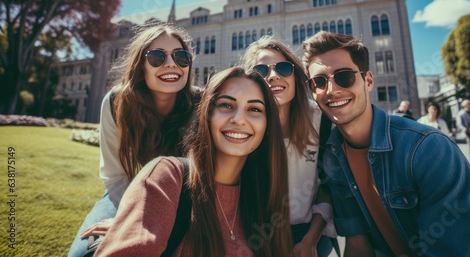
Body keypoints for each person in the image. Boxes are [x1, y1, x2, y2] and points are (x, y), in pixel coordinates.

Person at [302, 31, 470, 256]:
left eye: (344, 76)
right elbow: (358, 246)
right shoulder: (333, 155)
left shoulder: (427, 149)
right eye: (318, 81)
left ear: (368, 81)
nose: (331, 90)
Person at [94, 67, 293, 256]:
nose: (239, 119)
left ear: (267, 126)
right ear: (206, 114)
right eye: (226, 105)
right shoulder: (165, 177)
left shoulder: (266, 199)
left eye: (254, 109)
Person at [68, 24, 200, 256]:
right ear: (141, 65)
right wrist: (129, 217)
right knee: (86, 253)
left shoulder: (202, 105)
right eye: (157, 56)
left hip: (187, 202)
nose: (171, 63)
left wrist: (149, 219)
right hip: (126, 193)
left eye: (181, 56)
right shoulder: (116, 103)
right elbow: (114, 175)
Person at [240, 36, 336, 257]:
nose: (273, 76)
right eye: (261, 70)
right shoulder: (242, 124)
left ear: (295, 76)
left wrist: (310, 241)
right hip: (257, 236)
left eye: (283, 68)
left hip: (310, 234)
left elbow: (329, 186)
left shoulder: (321, 120)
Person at [458, 99, 470, 171]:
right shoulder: (461, 113)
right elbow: (460, 124)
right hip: (468, 134)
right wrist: (466, 130)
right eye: (469, 104)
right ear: (465, 105)